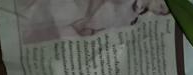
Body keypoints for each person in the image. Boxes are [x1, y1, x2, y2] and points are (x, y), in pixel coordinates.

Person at [18, 0, 169, 44]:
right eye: (162, 6)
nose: (159, 10)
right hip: (77, 10)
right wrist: (87, 17)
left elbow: (108, 28)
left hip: (79, 24)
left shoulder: (133, 19)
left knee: (40, 31)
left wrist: (90, 31)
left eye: (162, 11)